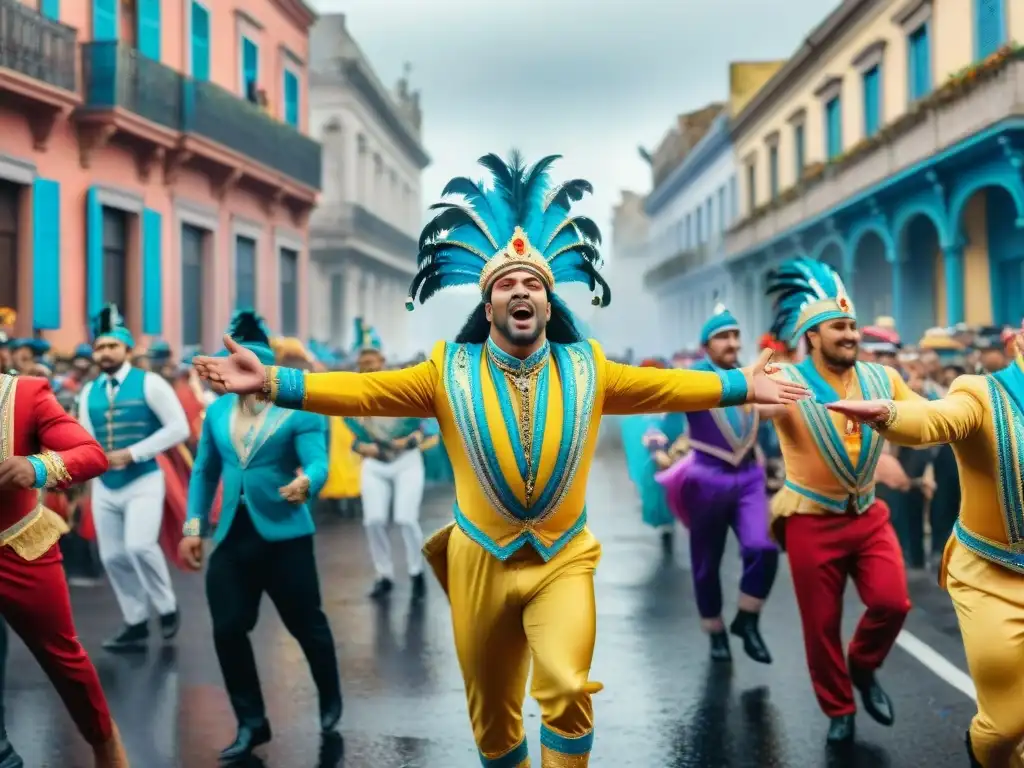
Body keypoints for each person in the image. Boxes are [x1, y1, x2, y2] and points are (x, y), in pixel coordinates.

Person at [192, 150, 807, 767]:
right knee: (493, 718)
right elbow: (364, 393)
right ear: (487, 307)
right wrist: (271, 380)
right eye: (507, 285)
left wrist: (743, 385)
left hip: (563, 555)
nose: (521, 291)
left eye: (533, 285)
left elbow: (669, 387)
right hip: (479, 560)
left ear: (547, 304)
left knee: (567, 686)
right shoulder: (444, 370)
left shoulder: (587, 367)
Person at [828, 327, 1024, 767]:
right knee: (1006, 724)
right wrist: (888, 415)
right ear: (1021, 340)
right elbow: (936, 420)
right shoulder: (980, 392)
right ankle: (983, 750)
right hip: (991, 573)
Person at [761, 257, 921, 746]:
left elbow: (926, 419)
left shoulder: (884, 379)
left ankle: (865, 666)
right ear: (812, 336)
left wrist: (907, 446)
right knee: (821, 625)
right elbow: (760, 406)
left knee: (893, 602)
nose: (851, 334)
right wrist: (754, 390)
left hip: (868, 515)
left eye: (853, 326)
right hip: (811, 519)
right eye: (839, 327)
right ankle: (839, 707)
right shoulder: (787, 378)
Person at [180, 310, 341, 762]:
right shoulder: (215, 412)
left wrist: (307, 482)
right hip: (232, 537)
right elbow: (203, 472)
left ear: (261, 370)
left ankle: (330, 700)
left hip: (286, 537)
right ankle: (251, 722)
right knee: (228, 629)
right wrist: (194, 528)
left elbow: (318, 461)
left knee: (307, 625)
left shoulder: (298, 409)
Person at [0, 371, 128, 767]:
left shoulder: (22, 393)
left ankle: (105, 744)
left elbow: (91, 454)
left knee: (62, 656)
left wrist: (37, 468)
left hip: (18, 545)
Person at [655, 304, 778, 664]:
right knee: (706, 563)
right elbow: (664, 420)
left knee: (764, 547)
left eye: (736, 335)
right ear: (706, 345)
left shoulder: (753, 374)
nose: (732, 342)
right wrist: (658, 443)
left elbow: (771, 418)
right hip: (705, 479)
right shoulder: (692, 377)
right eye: (723, 336)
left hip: (750, 478)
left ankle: (748, 618)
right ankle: (715, 631)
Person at [77, 305, 190, 651]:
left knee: (140, 545)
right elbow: (84, 435)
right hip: (104, 484)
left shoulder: (150, 383)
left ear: (126, 350)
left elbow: (179, 428)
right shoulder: (88, 391)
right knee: (112, 556)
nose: (105, 352)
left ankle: (168, 608)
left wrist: (134, 453)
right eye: (100, 347)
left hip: (144, 477)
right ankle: (135, 620)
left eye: (112, 346)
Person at [345, 319, 427, 601]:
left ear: (382, 361)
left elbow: (423, 430)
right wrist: (364, 448)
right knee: (373, 521)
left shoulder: (401, 389)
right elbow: (352, 438)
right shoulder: (354, 397)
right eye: (362, 362)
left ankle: (417, 573)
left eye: (372, 360)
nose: (368, 366)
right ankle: (384, 575)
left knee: (405, 519)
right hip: (376, 466)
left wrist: (407, 442)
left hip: (406, 462)